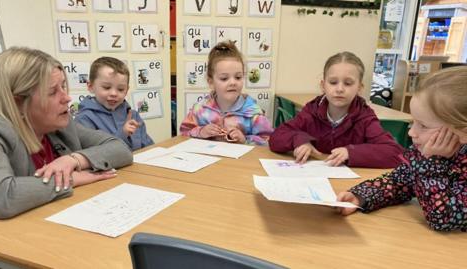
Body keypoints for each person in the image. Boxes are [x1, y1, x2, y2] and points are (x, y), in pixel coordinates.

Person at [0, 47, 133, 219]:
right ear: (17, 102)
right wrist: (70, 179)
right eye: (52, 92)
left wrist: (73, 160)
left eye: (63, 86)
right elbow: (0, 197)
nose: (67, 98)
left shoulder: (60, 124)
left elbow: (121, 149)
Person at [337, 66, 467, 232]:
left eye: (424, 126)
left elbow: (443, 218)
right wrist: (361, 196)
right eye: (414, 122)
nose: (412, 132)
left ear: (463, 131)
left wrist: (432, 164)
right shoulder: (424, 151)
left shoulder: (431, 156)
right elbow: (399, 181)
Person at [269, 52, 403, 168]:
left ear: (360, 88)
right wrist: (300, 141)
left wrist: (351, 152)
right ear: (323, 85)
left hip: (347, 187)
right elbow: (276, 137)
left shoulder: (365, 117)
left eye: (348, 83)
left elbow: (395, 154)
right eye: (333, 82)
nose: (339, 89)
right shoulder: (312, 111)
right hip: (313, 178)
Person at [180, 41, 273, 145]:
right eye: (224, 78)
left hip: (240, 161)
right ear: (211, 82)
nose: (233, 82)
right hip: (208, 159)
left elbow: (268, 140)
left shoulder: (253, 113)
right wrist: (201, 132)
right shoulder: (200, 110)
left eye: (238, 77)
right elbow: (184, 133)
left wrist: (245, 140)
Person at [75, 57, 154, 151]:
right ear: (91, 86)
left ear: (127, 90)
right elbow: (94, 156)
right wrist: (122, 134)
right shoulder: (84, 119)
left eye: (120, 89)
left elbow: (149, 147)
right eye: (106, 87)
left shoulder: (133, 115)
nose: (114, 93)